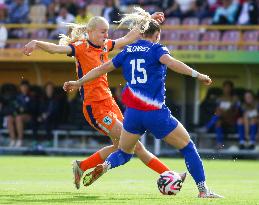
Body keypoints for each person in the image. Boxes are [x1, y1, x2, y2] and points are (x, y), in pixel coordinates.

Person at [63, 13, 223, 198]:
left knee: (124, 152)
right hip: (155, 113)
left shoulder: (127, 51)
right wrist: (198, 75)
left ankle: (106, 165)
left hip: (133, 114)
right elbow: (172, 63)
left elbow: (101, 69)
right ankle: (203, 190)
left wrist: (78, 82)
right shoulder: (157, 49)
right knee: (188, 147)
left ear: (142, 33)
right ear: (157, 35)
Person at [23, 8, 172, 190]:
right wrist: (36, 42)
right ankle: (169, 174)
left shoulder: (105, 46)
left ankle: (82, 166)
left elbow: (128, 38)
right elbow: (56, 49)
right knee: (135, 145)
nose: (106, 35)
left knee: (123, 147)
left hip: (109, 102)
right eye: (103, 31)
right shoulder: (80, 47)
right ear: (91, 32)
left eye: (107, 31)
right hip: (95, 107)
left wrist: (149, 19)